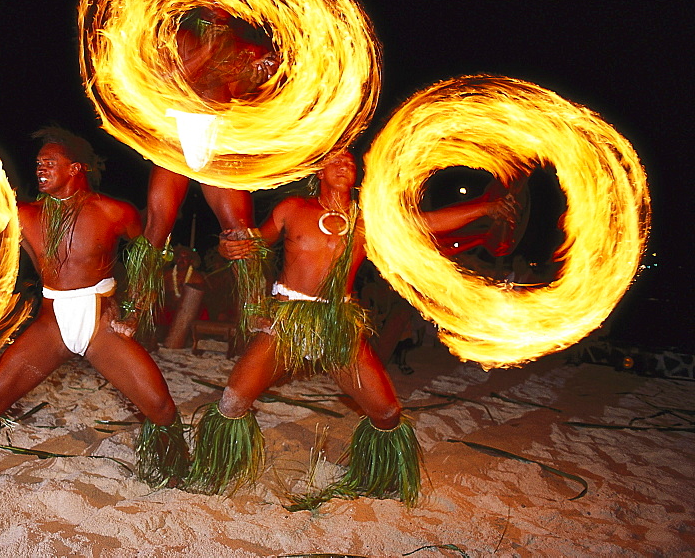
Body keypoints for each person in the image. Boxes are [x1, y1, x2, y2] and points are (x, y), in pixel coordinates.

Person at [186, 149, 518, 506]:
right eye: (335, 160)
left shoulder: (366, 219)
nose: (344, 165)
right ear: (319, 171)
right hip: (286, 321)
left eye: (350, 162)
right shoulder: (293, 209)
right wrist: (227, 248)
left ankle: (378, 478)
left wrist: (485, 208)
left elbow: (427, 222)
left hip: (337, 324)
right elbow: (250, 246)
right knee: (233, 401)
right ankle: (215, 470)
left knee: (387, 413)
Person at [0, 127, 188, 504]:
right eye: (38, 163)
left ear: (76, 168)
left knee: (160, 406)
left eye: (50, 162)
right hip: (51, 325)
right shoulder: (25, 215)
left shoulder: (114, 211)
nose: (40, 168)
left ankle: (173, 470)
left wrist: (131, 308)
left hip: (100, 325)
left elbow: (148, 256)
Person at [120, 7, 279, 345]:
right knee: (159, 224)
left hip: (217, 132)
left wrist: (258, 73)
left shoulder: (241, 46)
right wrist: (207, 52)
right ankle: (134, 307)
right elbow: (166, 85)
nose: (221, 10)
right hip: (179, 128)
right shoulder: (179, 38)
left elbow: (240, 93)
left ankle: (254, 308)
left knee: (239, 224)